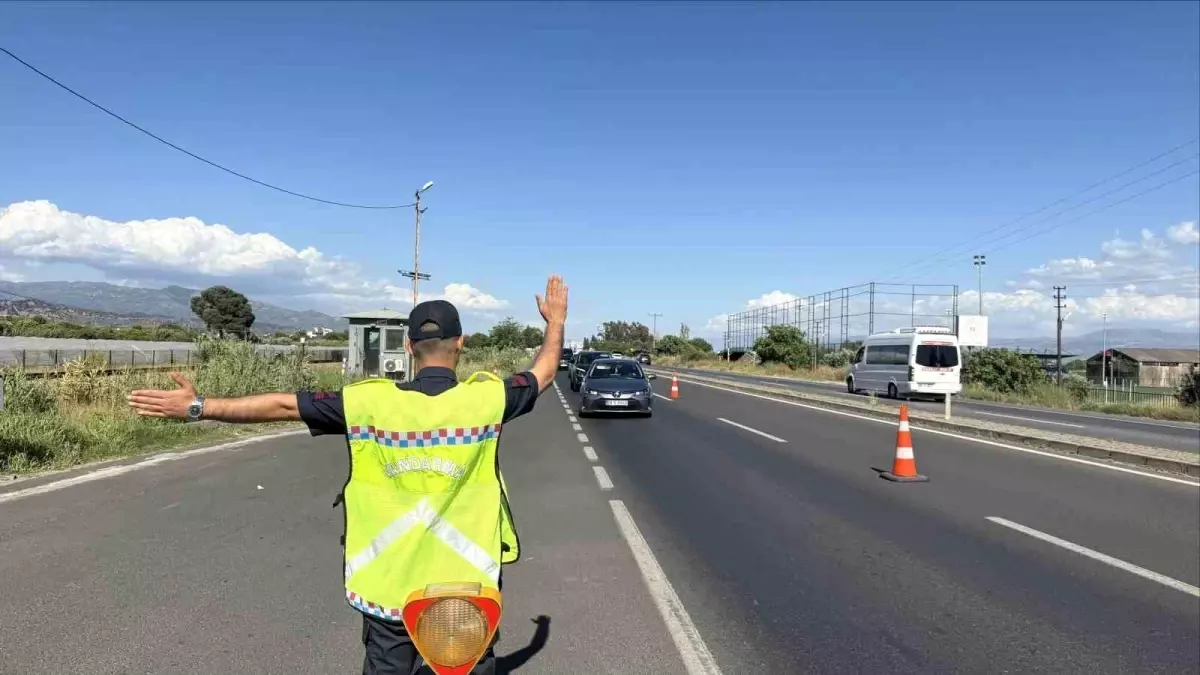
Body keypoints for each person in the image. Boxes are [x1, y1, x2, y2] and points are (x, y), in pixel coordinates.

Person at [127, 275, 569, 675]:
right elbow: (544, 369)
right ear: (461, 343)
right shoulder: (488, 400)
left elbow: (282, 405)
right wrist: (555, 323)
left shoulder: (364, 404)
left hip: (387, 589)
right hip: (465, 590)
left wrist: (197, 406)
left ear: (409, 347)